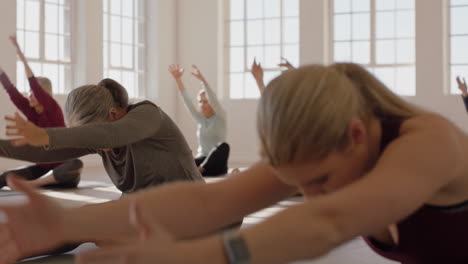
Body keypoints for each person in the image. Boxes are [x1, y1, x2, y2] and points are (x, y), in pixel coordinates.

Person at [2, 63, 468, 264]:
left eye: (319, 179)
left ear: (357, 135)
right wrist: (62, 224)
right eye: (298, 183)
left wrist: (191, 256)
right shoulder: (326, 145)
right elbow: (212, 202)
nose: (309, 193)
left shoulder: (429, 144)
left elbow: (327, 222)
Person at [0, 78, 204, 194]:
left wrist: (46, 135)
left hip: (192, 205)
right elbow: (46, 152)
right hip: (145, 210)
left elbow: (110, 133)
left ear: (114, 114)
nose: (87, 138)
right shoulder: (98, 138)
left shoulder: (148, 114)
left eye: (85, 132)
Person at [0, 35, 83, 189]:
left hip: (63, 167)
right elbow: (11, 90)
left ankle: (34, 185)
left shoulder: (52, 108)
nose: (28, 94)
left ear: (42, 93)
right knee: (6, 176)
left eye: (32, 92)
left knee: (75, 164)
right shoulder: (30, 112)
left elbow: (34, 85)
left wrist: (20, 54)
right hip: (43, 167)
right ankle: (37, 183)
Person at [169, 64, 230, 177]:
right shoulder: (200, 119)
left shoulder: (220, 116)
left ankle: (198, 172)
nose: (203, 104)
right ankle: (195, 171)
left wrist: (203, 80)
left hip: (216, 165)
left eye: (206, 101)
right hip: (201, 160)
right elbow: (188, 102)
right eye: (200, 101)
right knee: (183, 160)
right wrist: (178, 79)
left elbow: (213, 98)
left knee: (223, 146)